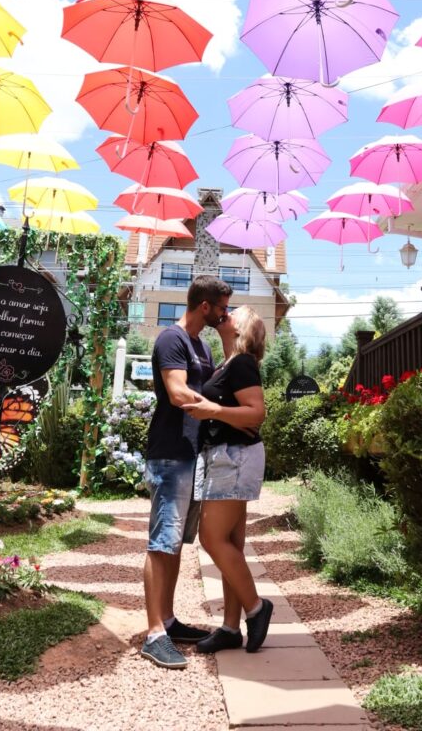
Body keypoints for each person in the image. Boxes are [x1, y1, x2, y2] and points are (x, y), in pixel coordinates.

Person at [141, 274, 233, 670]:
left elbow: (219, 389)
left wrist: (229, 344)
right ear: (205, 306)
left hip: (192, 454)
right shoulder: (172, 340)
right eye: (223, 307)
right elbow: (178, 394)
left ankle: (168, 619)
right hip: (170, 453)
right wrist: (215, 409)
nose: (226, 313)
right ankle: (153, 634)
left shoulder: (203, 345)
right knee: (163, 540)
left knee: (176, 541)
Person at [182, 305, 272, 655]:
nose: (225, 313)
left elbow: (256, 413)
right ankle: (231, 628)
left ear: (243, 328)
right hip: (226, 455)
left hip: (234, 457)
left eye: (233, 312)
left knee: (211, 537)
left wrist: (213, 410)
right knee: (230, 544)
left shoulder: (243, 362)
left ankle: (256, 607)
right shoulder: (228, 365)